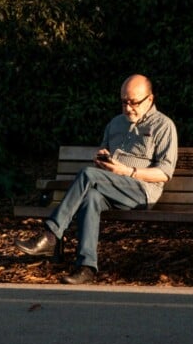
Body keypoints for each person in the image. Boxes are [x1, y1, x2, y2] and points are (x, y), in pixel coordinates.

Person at [15, 74, 178, 284]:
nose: (128, 108)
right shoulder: (115, 123)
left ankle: (52, 234)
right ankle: (86, 267)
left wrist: (127, 171)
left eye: (134, 102)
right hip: (110, 187)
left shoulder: (164, 126)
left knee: (87, 175)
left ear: (150, 99)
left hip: (142, 192)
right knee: (91, 198)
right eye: (124, 102)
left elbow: (164, 173)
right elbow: (104, 161)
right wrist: (102, 160)